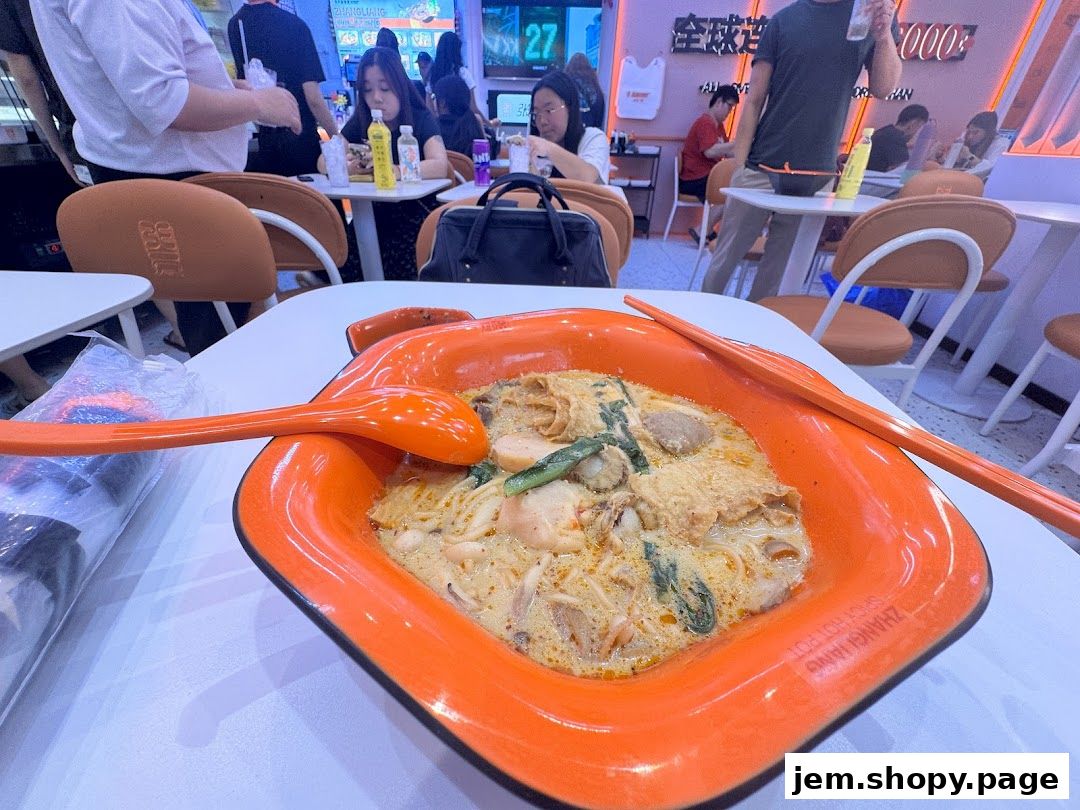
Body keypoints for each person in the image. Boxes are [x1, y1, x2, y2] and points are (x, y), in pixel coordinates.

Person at [30, 0, 300, 355]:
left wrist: (224, 89)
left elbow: (144, 79)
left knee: (216, 323)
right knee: (227, 333)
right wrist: (261, 105)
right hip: (177, 177)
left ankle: (234, 398)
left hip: (162, 171)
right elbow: (163, 100)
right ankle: (244, 404)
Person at [702, 0, 901, 301]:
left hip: (816, 174)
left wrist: (884, 35)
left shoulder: (869, 15)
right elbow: (754, 100)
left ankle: (750, 342)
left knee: (777, 275)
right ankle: (697, 325)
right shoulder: (783, 22)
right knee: (725, 259)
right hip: (760, 165)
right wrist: (741, 167)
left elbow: (883, 88)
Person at [333, 46, 448, 280]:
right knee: (350, 250)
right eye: (368, 90)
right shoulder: (362, 121)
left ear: (400, 85)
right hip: (370, 215)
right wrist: (344, 166)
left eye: (385, 88)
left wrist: (395, 170)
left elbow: (440, 165)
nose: (377, 97)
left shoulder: (419, 118)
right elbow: (326, 159)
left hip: (415, 215)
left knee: (405, 260)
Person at [227, 0, 339, 177]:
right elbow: (313, 99)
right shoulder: (295, 25)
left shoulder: (236, 25)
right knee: (314, 200)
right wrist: (337, 138)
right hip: (301, 140)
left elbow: (246, 88)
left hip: (266, 143)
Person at [0, 0, 84, 186]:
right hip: (138, 110)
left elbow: (26, 77)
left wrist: (57, 147)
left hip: (76, 122)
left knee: (109, 207)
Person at [528, 70, 610, 184]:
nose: (542, 121)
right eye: (536, 113)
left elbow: (587, 177)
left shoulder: (593, 138)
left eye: (549, 110)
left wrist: (548, 148)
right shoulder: (534, 150)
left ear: (569, 107)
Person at [680, 85, 739, 243]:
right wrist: (737, 143)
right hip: (695, 179)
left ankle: (704, 230)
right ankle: (702, 230)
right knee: (732, 193)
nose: (730, 112)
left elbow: (726, 152)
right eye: (730, 106)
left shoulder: (718, 126)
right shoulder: (705, 123)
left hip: (706, 177)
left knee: (734, 189)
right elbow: (710, 151)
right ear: (719, 102)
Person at [426, 32, 489, 125]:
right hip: (461, 128)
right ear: (457, 50)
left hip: (440, 127)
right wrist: (489, 123)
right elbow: (473, 108)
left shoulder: (433, 74)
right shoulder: (462, 73)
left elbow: (428, 106)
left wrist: (437, 122)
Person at [433, 74, 495, 157]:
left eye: (434, 97)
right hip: (472, 170)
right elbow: (484, 157)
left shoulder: (432, 128)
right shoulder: (474, 122)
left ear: (442, 102)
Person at [867, 103, 929, 172]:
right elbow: (905, 171)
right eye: (920, 127)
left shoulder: (888, 132)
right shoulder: (895, 139)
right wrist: (930, 156)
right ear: (913, 124)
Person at [565, 52, 605, 130]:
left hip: (570, 130)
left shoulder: (567, 85)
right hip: (590, 132)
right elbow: (599, 118)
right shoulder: (596, 88)